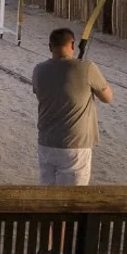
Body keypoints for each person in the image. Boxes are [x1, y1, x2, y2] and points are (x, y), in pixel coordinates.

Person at [31, 27, 113, 186]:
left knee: (46, 198)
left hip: (46, 144)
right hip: (75, 146)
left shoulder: (38, 70)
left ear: (50, 47)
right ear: (73, 44)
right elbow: (108, 97)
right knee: (71, 201)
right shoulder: (86, 67)